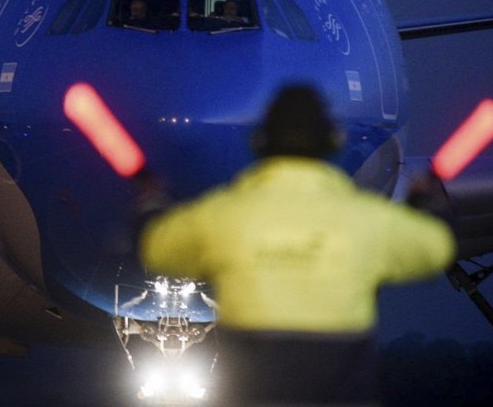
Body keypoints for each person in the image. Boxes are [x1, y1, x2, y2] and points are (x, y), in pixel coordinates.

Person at [138, 85, 456, 405]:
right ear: (333, 141)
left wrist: (152, 204)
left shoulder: (224, 217)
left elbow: (156, 248)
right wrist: (425, 205)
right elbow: (436, 249)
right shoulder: (366, 221)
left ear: (258, 141)